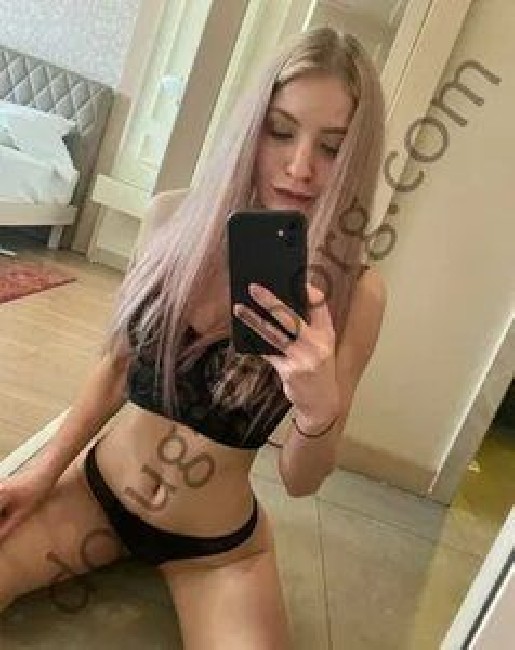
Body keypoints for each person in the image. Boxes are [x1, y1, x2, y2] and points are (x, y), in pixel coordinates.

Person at [0, 26, 387, 648]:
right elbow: (115, 365)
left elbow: (301, 481)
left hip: (215, 549)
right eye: (280, 131)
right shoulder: (171, 219)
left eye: (331, 147)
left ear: (357, 158)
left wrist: (318, 411)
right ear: (251, 127)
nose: (299, 167)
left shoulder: (354, 294)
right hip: (96, 495)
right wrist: (43, 474)